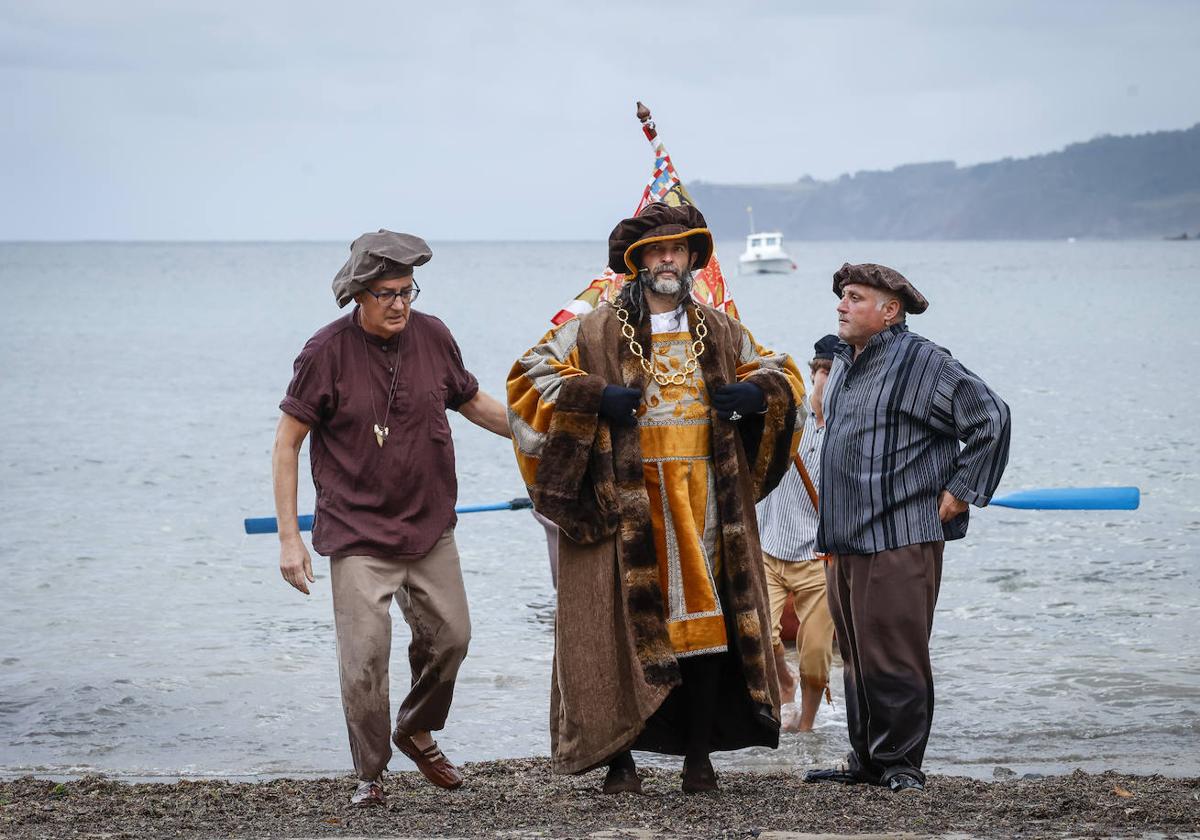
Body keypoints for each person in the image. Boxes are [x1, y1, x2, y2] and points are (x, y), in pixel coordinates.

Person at [507, 202, 806, 794]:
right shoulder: (593, 329)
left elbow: (786, 375)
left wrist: (753, 392)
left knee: (707, 631)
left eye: (680, 249)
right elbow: (527, 375)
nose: (668, 259)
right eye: (657, 250)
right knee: (618, 628)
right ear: (636, 260)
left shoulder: (720, 330)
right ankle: (620, 760)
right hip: (626, 503)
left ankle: (700, 757)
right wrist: (593, 397)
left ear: (693, 259)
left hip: (705, 505)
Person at [272, 230, 511, 807]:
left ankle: (415, 727)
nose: (401, 303)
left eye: (408, 290)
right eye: (387, 293)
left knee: (452, 637)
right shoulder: (324, 353)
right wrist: (290, 539)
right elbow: (287, 444)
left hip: (430, 526)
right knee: (364, 661)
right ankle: (370, 777)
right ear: (359, 295)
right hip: (357, 534)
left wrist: (538, 435)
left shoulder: (433, 335)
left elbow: (473, 401)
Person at [805, 263, 1011, 793]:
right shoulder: (849, 361)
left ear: (889, 310)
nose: (841, 305)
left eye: (853, 298)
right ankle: (866, 760)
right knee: (854, 653)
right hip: (845, 537)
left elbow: (991, 417)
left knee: (895, 651)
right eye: (841, 297)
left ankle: (900, 764)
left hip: (900, 533)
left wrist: (963, 489)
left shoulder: (924, 362)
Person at [754, 334, 840, 732]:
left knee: (817, 652)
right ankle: (782, 682)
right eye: (817, 370)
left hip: (819, 558)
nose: (821, 379)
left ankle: (806, 725)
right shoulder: (790, 419)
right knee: (756, 636)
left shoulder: (848, 433)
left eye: (830, 371)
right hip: (770, 548)